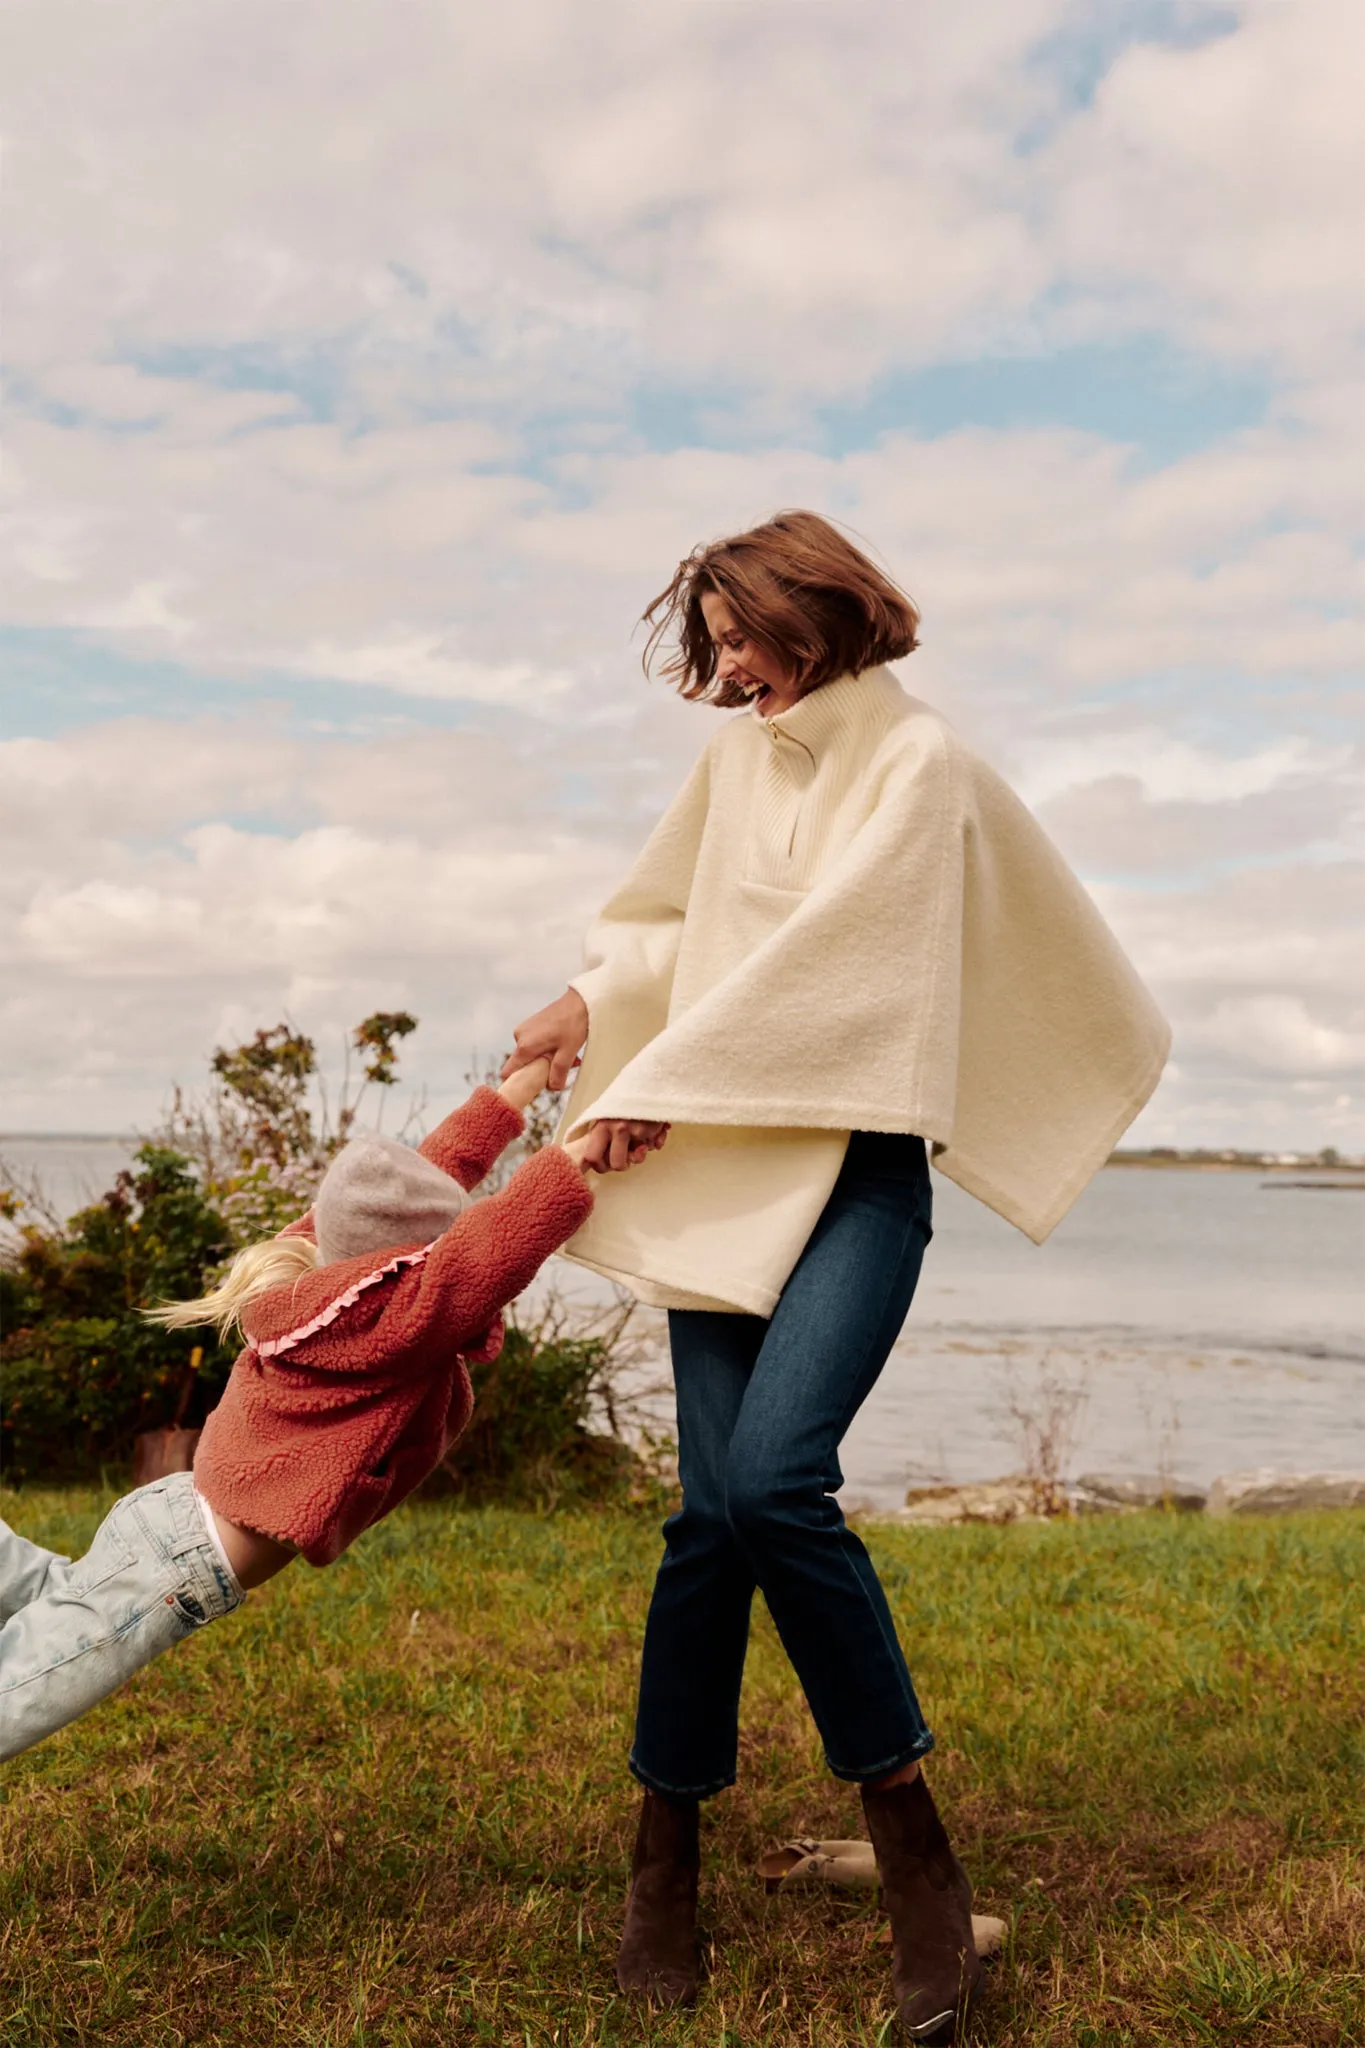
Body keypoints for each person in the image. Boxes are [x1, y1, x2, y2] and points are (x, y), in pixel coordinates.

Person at [504, 510, 1169, 2043]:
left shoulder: (918, 764)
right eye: (716, 643)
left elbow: (847, 967)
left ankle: (916, 1860)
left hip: (860, 1175)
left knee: (775, 1485)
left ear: (823, 611)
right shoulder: (735, 763)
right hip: (721, 1175)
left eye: (748, 636)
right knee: (705, 1522)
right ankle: (663, 1858)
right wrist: (585, 1006)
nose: (732, 667)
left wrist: (663, 1085)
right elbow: (671, 925)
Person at [0, 1060, 627, 1763]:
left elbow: (416, 1182)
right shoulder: (391, 1323)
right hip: (177, 1564)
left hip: (168, 1519)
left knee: (59, 1597)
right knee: (19, 1691)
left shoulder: (321, 1271)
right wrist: (574, 1158)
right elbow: (493, 1248)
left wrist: (520, 1087)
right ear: (409, 1264)